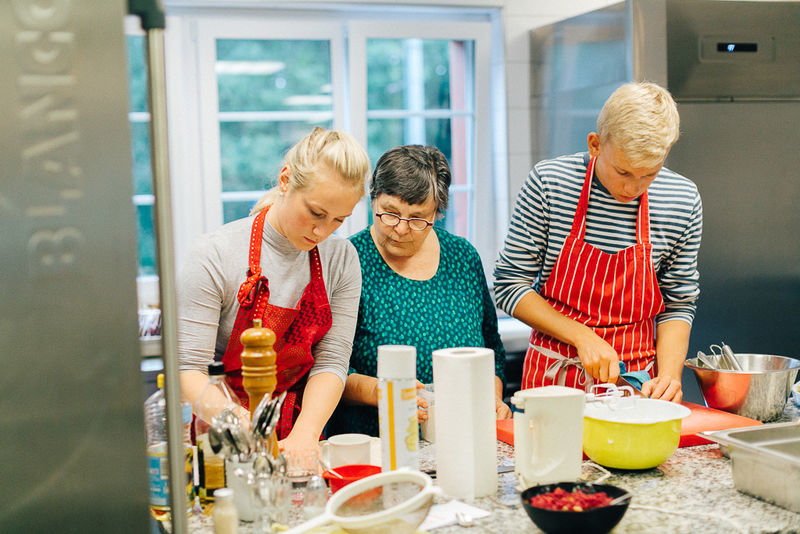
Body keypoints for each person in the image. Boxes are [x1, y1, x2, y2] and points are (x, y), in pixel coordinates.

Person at [494, 82, 702, 402]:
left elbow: (678, 304)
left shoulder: (681, 199)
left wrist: (670, 377)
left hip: (637, 383)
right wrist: (582, 336)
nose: (634, 188)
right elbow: (510, 286)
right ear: (595, 144)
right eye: (623, 171)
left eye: (650, 173)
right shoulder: (551, 183)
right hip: (554, 380)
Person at [177, 127, 371, 453]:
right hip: (219, 432)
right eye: (316, 213)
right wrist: (247, 426)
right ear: (285, 180)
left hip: (299, 428)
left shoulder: (341, 259)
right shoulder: (215, 254)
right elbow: (189, 369)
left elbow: (332, 361)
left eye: (338, 220)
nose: (322, 231)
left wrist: (305, 436)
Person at [327, 145, 511, 437]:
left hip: (460, 433)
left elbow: (491, 347)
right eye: (390, 213)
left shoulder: (462, 257)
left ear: (437, 213)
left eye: (417, 219)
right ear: (372, 198)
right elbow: (326, 366)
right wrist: (382, 392)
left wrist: (493, 395)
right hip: (374, 439)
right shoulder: (347, 260)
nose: (400, 229)